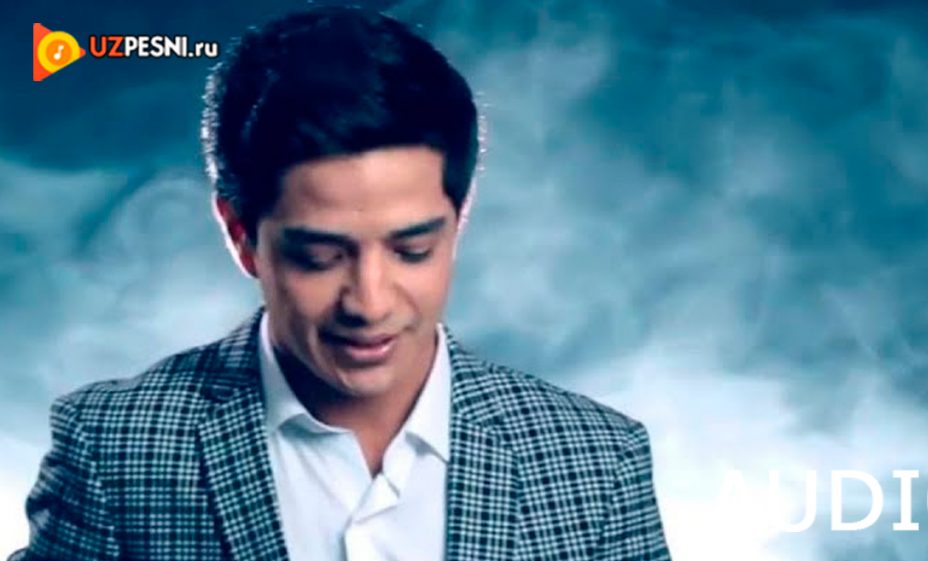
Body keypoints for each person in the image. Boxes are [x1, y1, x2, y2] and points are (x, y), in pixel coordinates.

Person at [10, 5, 670, 560]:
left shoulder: (597, 462)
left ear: (460, 219)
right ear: (241, 234)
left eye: (413, 250)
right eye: (321, 257)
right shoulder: (114, 451)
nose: (370, 303)